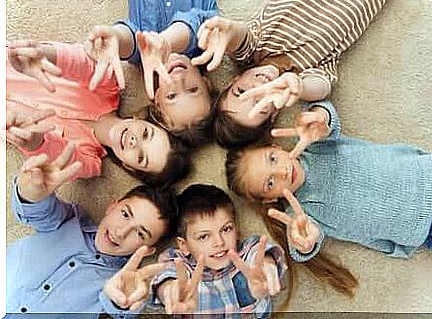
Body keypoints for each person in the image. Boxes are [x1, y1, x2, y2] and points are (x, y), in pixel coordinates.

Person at [226, 99, 432, 260]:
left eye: (272, 159)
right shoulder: (302, 216)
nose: (282, 172)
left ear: (277, 147)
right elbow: (303, 247)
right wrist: (304, 244)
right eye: (271, 183)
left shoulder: (313, 146)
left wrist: (319, 117)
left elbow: (327, 116)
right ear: (270, 198)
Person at [191, 0, 401, 148]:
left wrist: (229, 31)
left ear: (232, 80)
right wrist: (299, 87)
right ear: (273, 114)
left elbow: (240, 37)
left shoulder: (253, 49)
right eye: (261, 103)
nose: (258, 86)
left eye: (241, 91)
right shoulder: (305, 74)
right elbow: (322, 86)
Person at [6, 143, 178, 317]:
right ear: (112, 206)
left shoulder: (120, 284)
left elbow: (120, 308)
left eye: (140, 233)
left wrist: (122, 303)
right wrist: (31, 193)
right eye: (125, 214)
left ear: (148, 249)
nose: (121, 232)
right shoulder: (69, 219)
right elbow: (38, 212)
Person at [7, 40, 190, 185]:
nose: (135, 142)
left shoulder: (89, 163)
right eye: (145, 133)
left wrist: (33, 141)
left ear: (129, 167)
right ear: (140, 118)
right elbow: (82, 63)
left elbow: (58, 158)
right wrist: (47, 55)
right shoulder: (109, 86)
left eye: (141, 157)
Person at [106, 184, 289, 316]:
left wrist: (267, 266)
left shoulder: (246, 252)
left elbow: (260, 254)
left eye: (226, 229)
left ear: (237, 229)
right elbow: (166, 278)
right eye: (203, 236)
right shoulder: (180, 265)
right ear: (183, 245)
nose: (219, 242)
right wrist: (170, 290)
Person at [85, 0, 220, 146]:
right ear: (206, 84)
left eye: (172, 96)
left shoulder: (145, 59)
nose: (178, 79)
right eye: (193, 89)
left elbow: (131, 41)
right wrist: (166, 42)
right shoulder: (209, 42)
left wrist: (116, 38)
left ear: (157, 100)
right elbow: (196, 24)